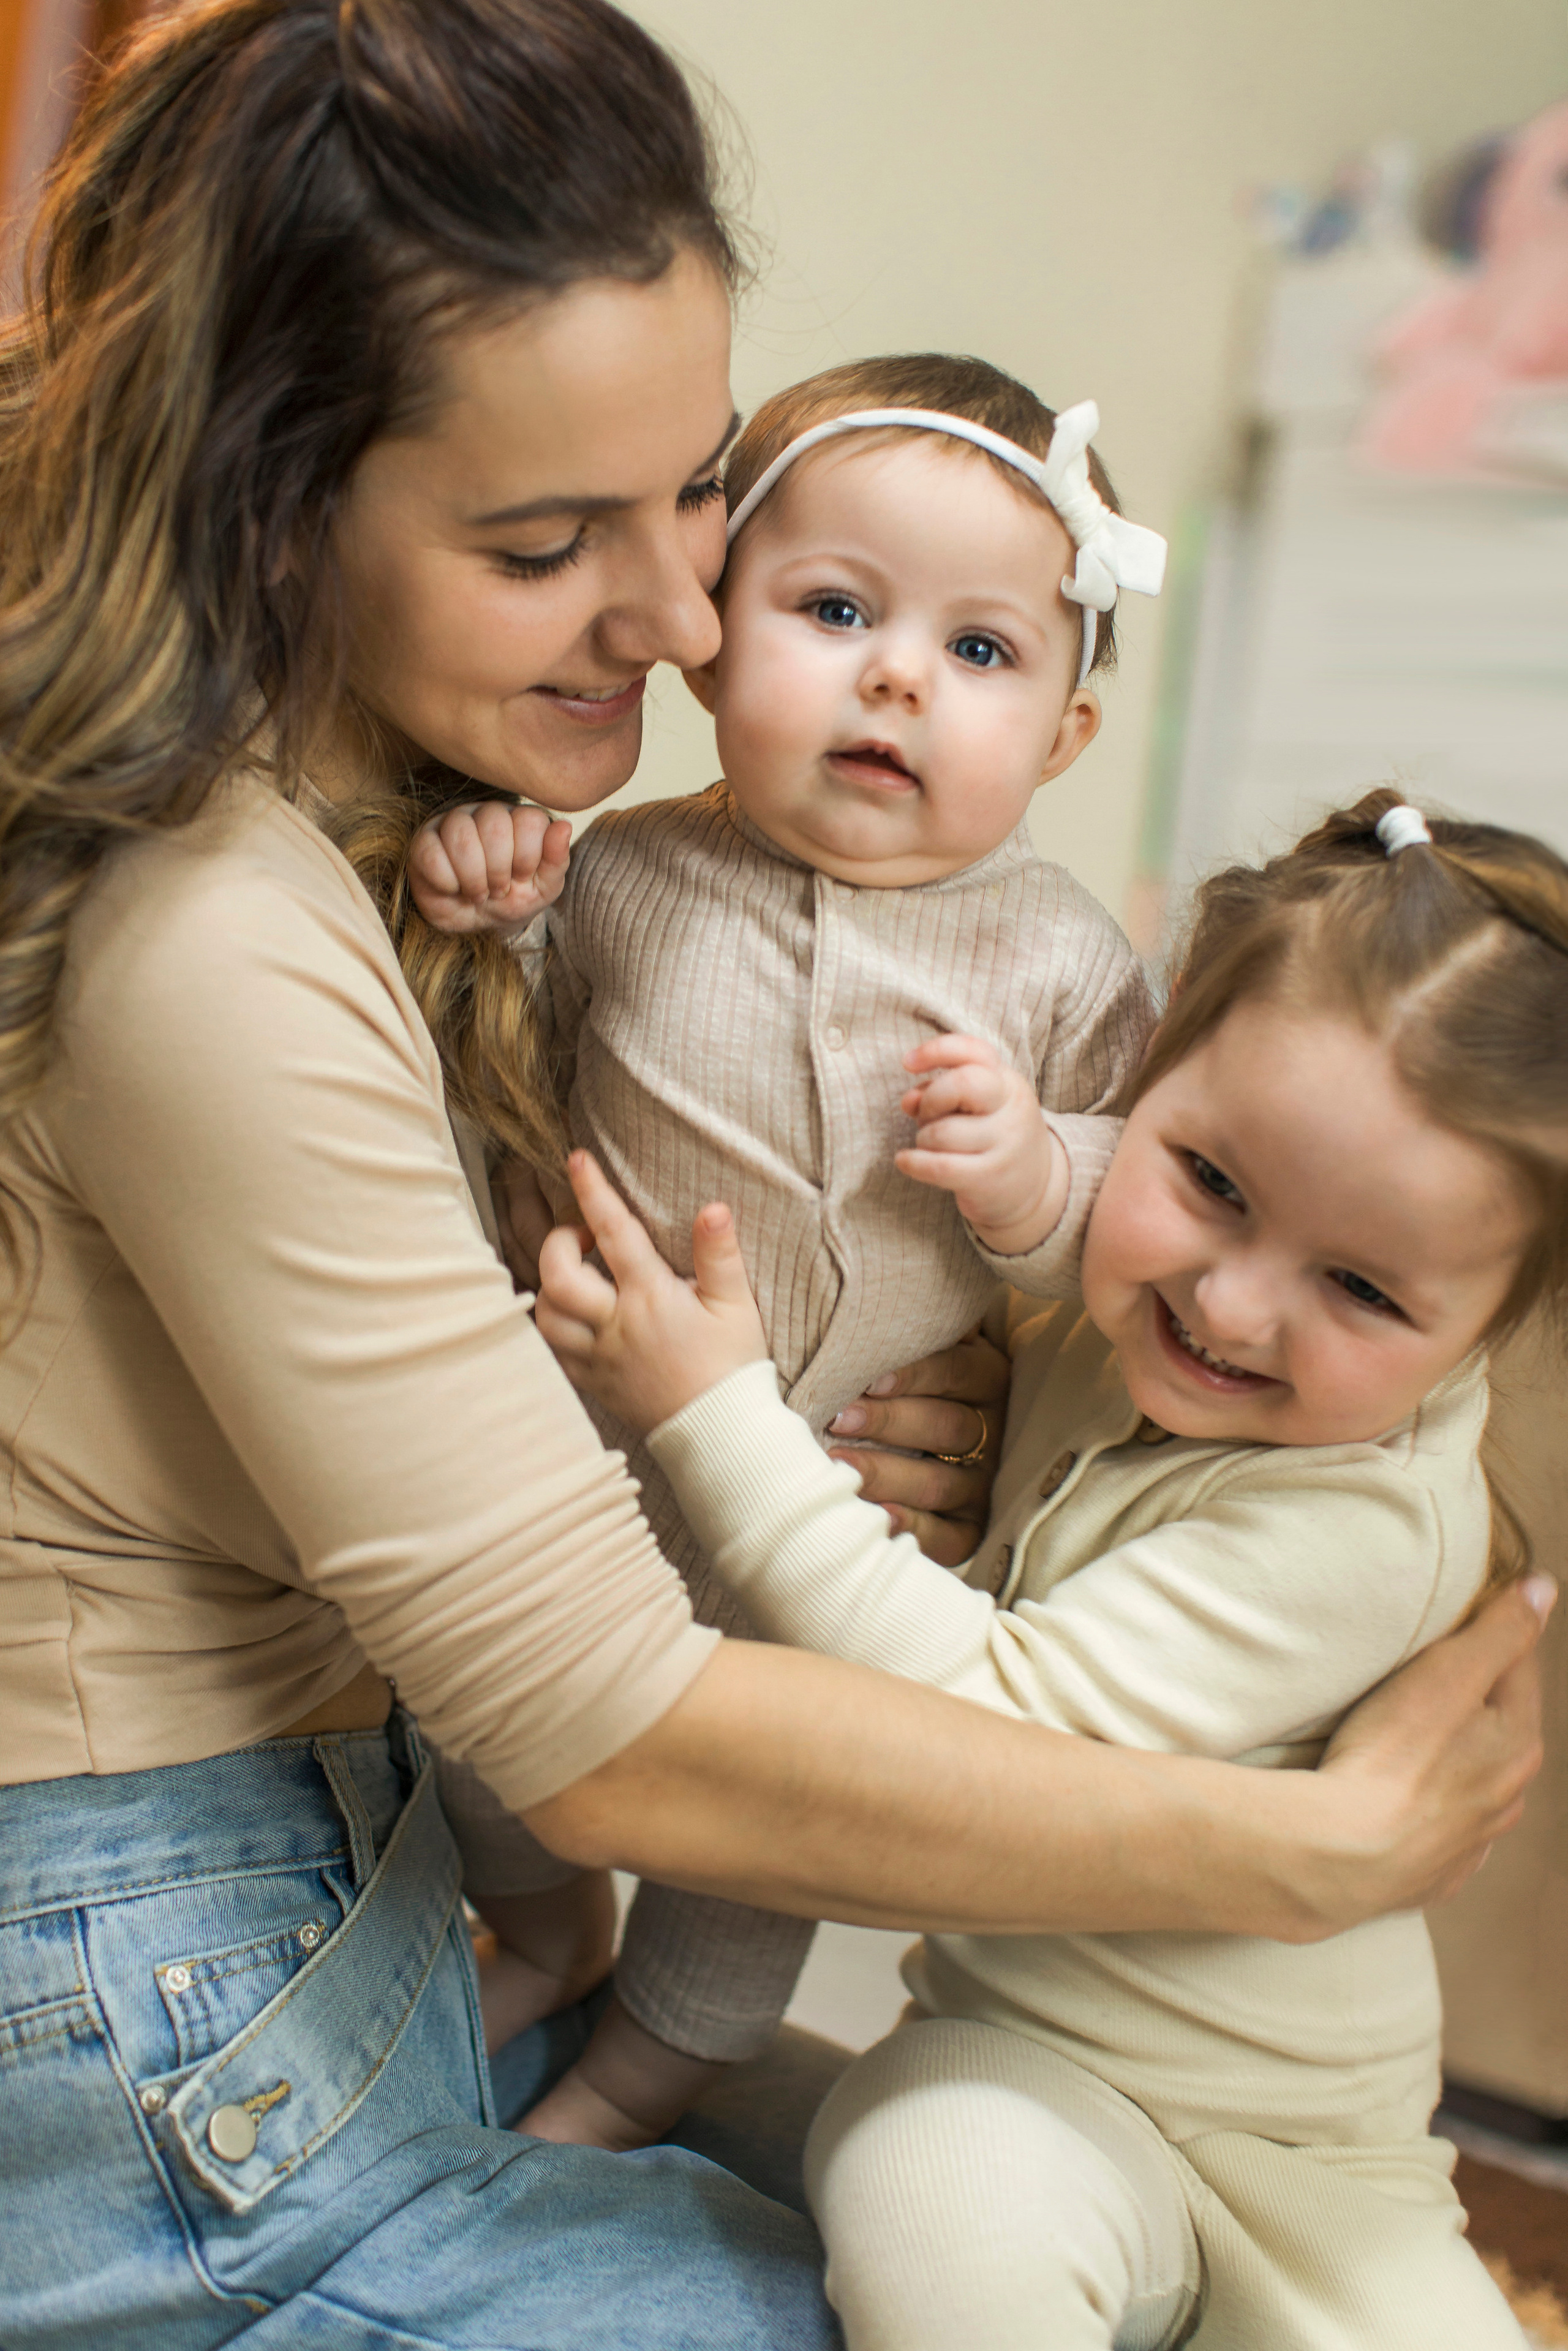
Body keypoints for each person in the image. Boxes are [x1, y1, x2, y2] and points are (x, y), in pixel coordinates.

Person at [0, 2, 1546, 2345]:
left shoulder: (418, 826)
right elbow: (605, 1716)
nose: (679, 613)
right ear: (266, 507)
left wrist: (974, 1378)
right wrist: (1308, 1845)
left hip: (370, 1861)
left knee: (980, 2221)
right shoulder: (218, 925)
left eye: (695, 495)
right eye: (547, 542)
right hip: (171, 1963)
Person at [533, 790, 1568, 2350]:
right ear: (1148, 1067)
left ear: (1489, 1325)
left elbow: (992, 1720)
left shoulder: (1370, 1526)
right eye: (1210, 1180)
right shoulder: (1127, 1304)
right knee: (927, 2194)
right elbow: (1047, 1234)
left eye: (1360, 1287)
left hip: (1311, 2162)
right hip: (1022, 2068)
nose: (1227, 1304)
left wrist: (714, 1414)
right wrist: (1027, 1174)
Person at [409, 355, 1170, 2141]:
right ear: (707, 643)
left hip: (838, 1519)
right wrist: (494, 909)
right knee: (481, 1735)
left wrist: (1035, 1172)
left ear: (1062, 735)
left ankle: (623, 2089)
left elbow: (1127, 1213)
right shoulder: (621, 876)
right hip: (584, 1463)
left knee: (765, 1844)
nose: (896, 674)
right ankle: (544, 1929)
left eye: (979, 648)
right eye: (833, 610)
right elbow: (500, 1062)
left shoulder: (1061, 963)